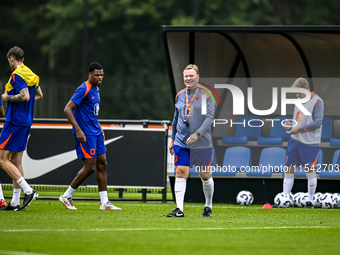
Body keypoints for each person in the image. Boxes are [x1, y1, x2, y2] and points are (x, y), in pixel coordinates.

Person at [59, 62, 122, 211]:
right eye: (97, 75)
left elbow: (91, 113)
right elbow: (67, 109)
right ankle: (67, 196)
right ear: (90, 75)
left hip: (96, 132)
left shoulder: (96, 89)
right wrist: (78, 130)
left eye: (102, 75)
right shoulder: (84, 88)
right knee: (90, 167)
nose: (100, 77)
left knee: (102, 163)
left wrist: (99, 127)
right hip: (85, 133)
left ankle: (105, 202)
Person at [167, 64, 215, 217]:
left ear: (197, 77)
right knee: (181, 172)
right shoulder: (180, 95)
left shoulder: (206, 95)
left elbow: (209, 118)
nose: (188, 78)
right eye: (186, 76)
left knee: (205, 175)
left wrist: (197, 134)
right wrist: (173, 139)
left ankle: (208, 206)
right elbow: (176, 118)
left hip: (201, 142)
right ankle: (179, 209)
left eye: (191, 76)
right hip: (181, 141)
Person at [0, 46, 43, 211]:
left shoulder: (17, 76)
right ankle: (15, 202)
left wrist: (6, 98)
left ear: (11, 59)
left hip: (15, 121)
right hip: (26, 121)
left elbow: (25, 96)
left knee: (1, 159)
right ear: (22, 59)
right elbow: (38, 95)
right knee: (15, 160)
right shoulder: (30, 74)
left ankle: (28, 190)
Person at [283, 77, 324, 208]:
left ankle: (310, 201)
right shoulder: (298, 101)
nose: (296, 95)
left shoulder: (318, 102)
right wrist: (290, 124)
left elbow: (317, 122)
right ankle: (285, 198)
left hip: (310, 142)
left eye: (298, 92)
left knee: (310, 171)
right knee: (288, 168)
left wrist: (299, 128)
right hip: (295, 140)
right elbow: (298, 119)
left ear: (306, 89)